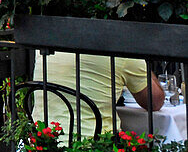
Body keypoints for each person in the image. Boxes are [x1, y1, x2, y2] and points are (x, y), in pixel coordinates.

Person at [33, 51, 164, 138]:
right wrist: (141, 61)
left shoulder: (46, 47)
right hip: (95, 147)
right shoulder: (120, 50)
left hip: (41, 142)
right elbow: (155, 102)